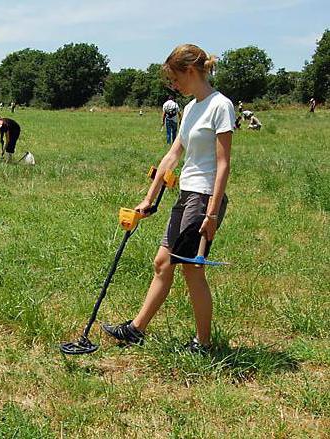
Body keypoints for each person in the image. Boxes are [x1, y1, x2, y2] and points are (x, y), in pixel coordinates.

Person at [102, 43, 235, 353]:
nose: (174, 86)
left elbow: (223, 163)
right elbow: (172, 155)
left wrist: (212, 215)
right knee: (163, 263)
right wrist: (149, 197)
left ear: (190, 71)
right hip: (187, 194)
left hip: (204, 197)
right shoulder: (190, 108)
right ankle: (136, 330)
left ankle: (203, 343)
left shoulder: (220, 105)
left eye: (176, 79)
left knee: (191, 268)